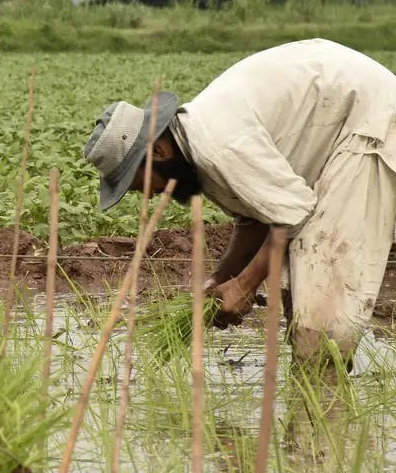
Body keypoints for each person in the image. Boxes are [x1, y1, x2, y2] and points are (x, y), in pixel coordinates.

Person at [82, 38, 396, 366]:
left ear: (160, 151)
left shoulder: (220, 146)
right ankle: (314, 395)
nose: (147, 195)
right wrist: (220, 280)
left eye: (140, 183)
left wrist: (246, 284)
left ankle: (325, 397)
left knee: (322, 322)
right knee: (304, 297)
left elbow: (293, 215)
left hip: (367, 119)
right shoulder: (198, 152)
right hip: (342, 119)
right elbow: (257, 218)